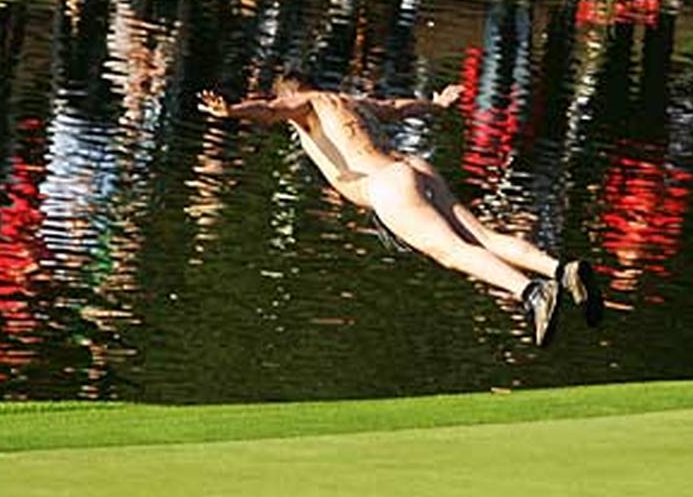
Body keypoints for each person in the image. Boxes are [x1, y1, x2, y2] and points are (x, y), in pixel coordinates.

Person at [198, 79, 604, 346]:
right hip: (413, 165)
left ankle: (530, 293)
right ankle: (561, 270)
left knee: (451, 252)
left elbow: (269, 109)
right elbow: (396, 106)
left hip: (388, 185)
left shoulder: (304, 105)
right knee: (483, 236)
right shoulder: (351, 101)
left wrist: (233, 112)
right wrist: (437, 104)